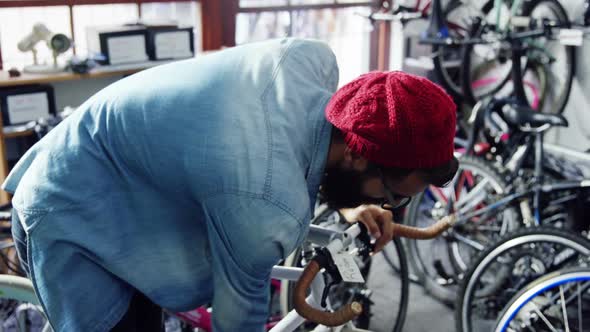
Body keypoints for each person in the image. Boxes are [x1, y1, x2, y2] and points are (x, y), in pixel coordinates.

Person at [3, 37, 458, 332]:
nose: (391, 205)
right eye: (394, 193)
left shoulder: (310, 61)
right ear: (358, 154)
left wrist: (351, 203)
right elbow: (237, 322)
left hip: (131, 181)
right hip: (70, 209)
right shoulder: (264, 204)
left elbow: (317, 155)